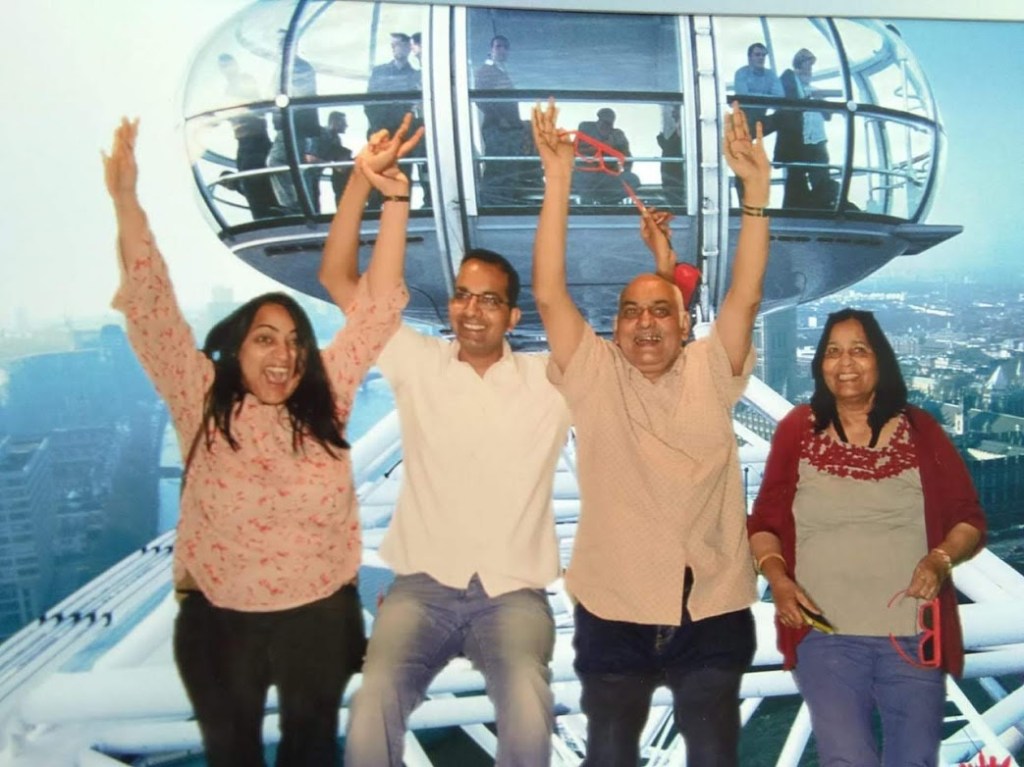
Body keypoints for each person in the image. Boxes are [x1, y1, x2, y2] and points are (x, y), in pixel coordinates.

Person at [103, 117, 412, 766]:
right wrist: (127, 201)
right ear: (236, 349)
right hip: (221, 622)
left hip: (320, 618)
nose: (283, 354)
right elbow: (151, 302)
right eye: (265, 339)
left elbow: (378, 308)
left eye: (295, 341)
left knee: (312, 751)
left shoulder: (326, 400)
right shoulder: (202, 400)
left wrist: (389, 198)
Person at [319, 113, 572, 767]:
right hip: (422, 589)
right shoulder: (419, 363)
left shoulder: (550, 381)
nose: (470, 309)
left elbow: (554, 290)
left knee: (528, 701)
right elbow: (341, 282)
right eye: (462, 295)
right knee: (373, 701)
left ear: (512, 316)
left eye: (488, 300)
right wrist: (372, 188)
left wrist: (558, 180)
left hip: (513, 593)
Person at [531, 99, 771, 765]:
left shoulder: (711, 371)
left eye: (660, 312)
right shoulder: (595, 375)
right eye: (629, 312)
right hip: (615, 606)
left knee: (714, 755)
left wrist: (755, 194)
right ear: (611, 328)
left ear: (686, 322)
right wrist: (558, 178)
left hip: (713, 606)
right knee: (610, 754)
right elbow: (549, 294)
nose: (644, 322)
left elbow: (745, 296)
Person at [748, 308, 986, 767]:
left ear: (881, 359)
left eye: (859, 350)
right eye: (832, 351)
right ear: (819, 364)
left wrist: (939, 559)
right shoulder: (797, 430)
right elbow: (765, 526)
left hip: (913, 636)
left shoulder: (922, 430)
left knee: (914, 759)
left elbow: (968, 519)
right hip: (827, 636)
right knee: (848, 758)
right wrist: (779, 581)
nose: (845, 363)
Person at [217, 53, 277, 219]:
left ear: (235, 65)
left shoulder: (243, 81)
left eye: (228, 65)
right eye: (223, 67)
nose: (226, 70)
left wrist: (230, 112)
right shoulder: (229, 88)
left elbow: (250, 105)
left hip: (254, 140)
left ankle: (266, 217)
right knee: (251, 182)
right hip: (246, 141)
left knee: (255, 180)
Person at [776, 48, 834, 209]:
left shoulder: (815, 91)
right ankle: (793, 211)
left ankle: (822, 210)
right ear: (798, 66)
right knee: (795, 181)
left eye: (811, 66)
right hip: (798, 142)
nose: (810, 70)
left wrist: (821, 101)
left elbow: (828, 116)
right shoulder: (788, 87)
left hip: (817, 141)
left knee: (821, 178)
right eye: (807, 65)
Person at [474, 35, 526, 204]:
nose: (502, 50)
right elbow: (481, 100)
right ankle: (493, 202)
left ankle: (506, 200)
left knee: (511, 167)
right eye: (498, 46)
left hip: (510, 129)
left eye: (505, 47)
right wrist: (500, 119)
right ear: (491, 50)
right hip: (498, 128)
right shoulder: (485, 71)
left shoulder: (504, 72)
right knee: (498, 166)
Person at [733, 43, 784, 137]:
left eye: (763, 55)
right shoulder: (741, 73)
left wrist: (755, 96)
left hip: (760, 120)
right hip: (743, 121)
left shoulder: (770, 75)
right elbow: (744, 98)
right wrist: (768, 98)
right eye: (757, 55)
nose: (761, 58)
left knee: (786, 117)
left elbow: (780, 98)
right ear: (749, 58)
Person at [320, 111, 353, 205]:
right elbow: (310, 158)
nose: (346, 125)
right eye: (343, 122)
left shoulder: (336, 139)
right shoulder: (322, 135)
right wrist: (334, 166)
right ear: (334, 122)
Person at [656, 104, 683, 206]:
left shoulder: (684, 130)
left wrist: (666, 145)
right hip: (671, 182)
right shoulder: (675, 134)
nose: (672, 113)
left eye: (676, 112)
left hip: (676, 183)